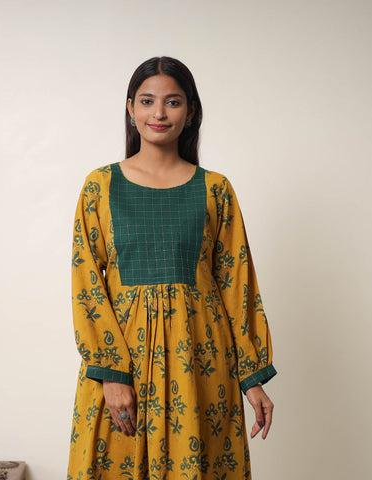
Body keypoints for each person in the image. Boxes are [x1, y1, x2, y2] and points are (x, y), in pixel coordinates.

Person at [67, 56, 277, 480]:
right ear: (130, 108)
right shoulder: (100, 186)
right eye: (147, 101)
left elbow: (237, 285)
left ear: (191, 110)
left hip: (200, 367)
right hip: (122, 365)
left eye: (173, 102)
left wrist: (252, 376)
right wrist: (111, 374)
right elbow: (87, 284)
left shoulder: (215, 190)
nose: (159, 113)